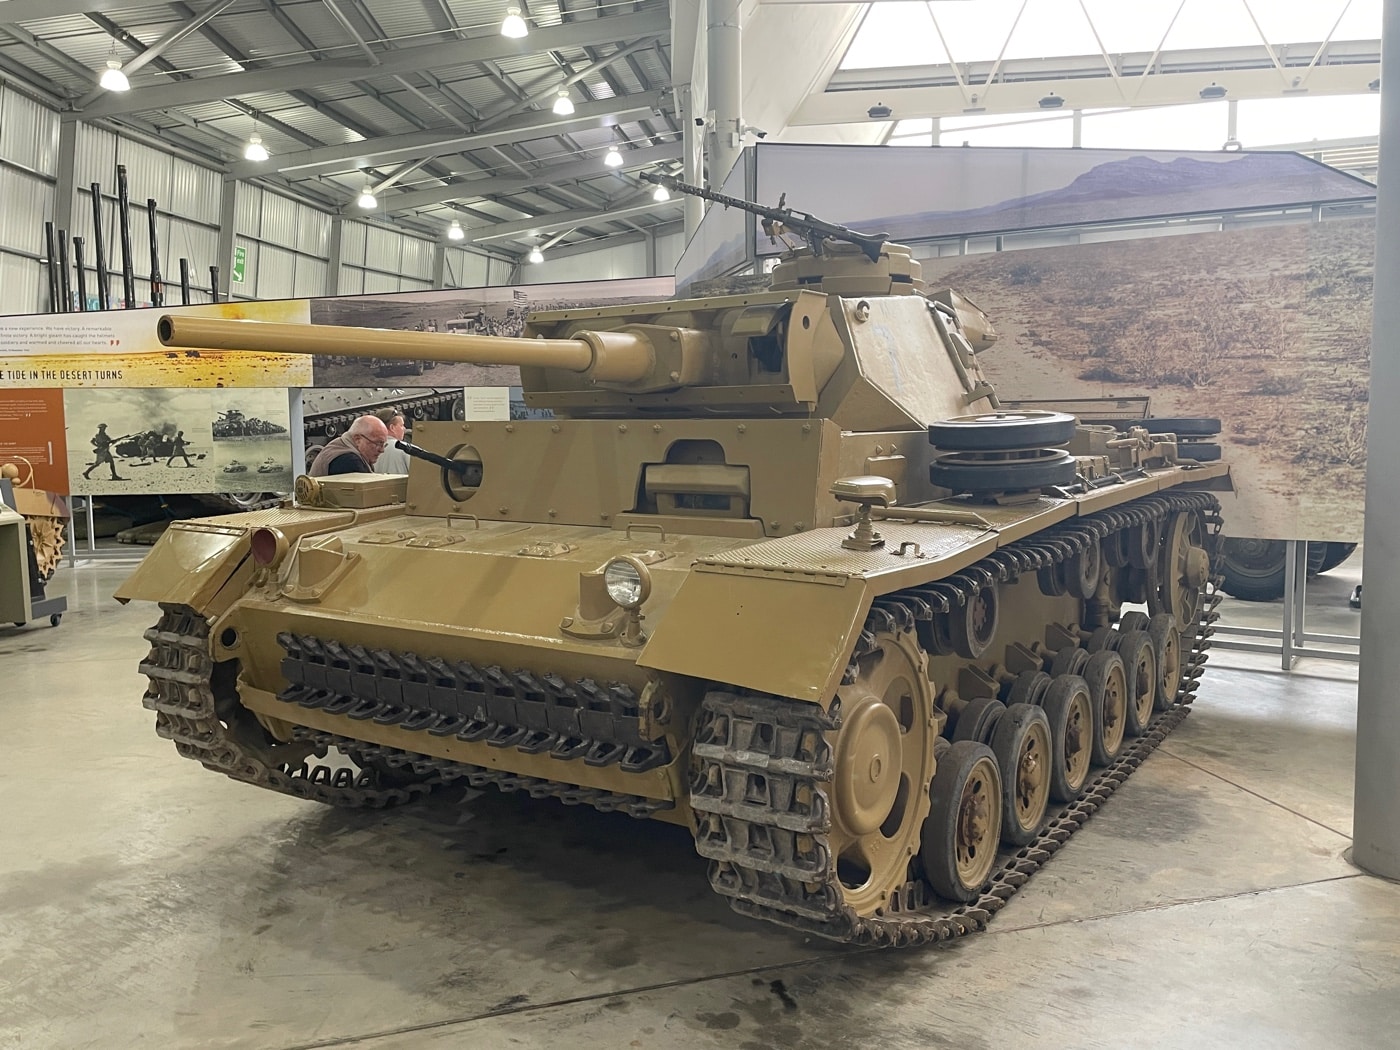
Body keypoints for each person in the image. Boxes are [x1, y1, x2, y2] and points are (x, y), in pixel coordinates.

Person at [308, 414, 388, 477]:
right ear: (358, 439)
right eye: (378, 443)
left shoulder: (340, 444)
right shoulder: (348, 461)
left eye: (384, 444)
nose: (382, 450)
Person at [373, 407, 411, 474]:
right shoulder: (405, 449)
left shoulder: (369, 449)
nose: (404, 428)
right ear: (392, 428)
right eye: (401, 425)